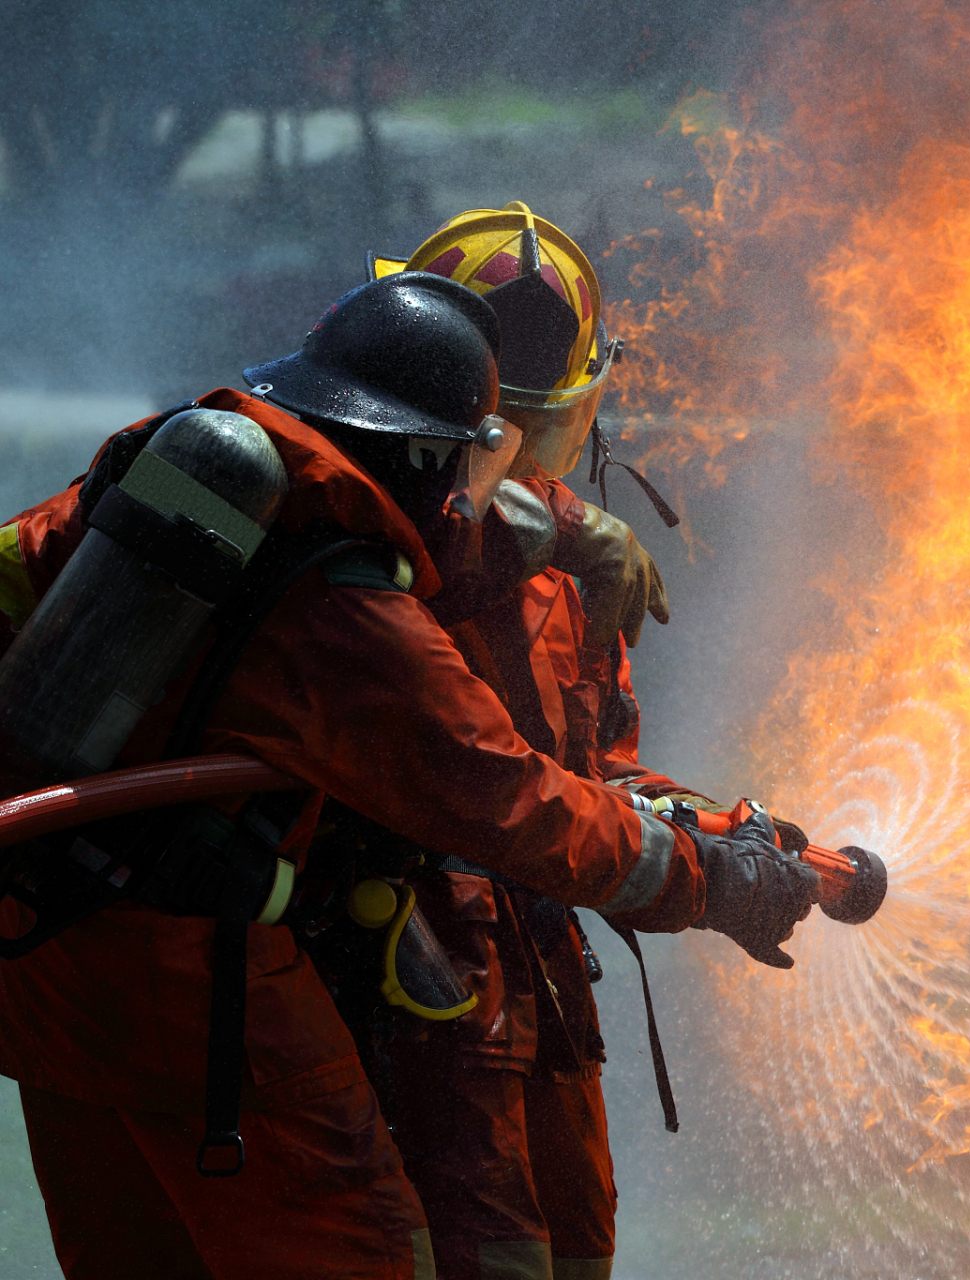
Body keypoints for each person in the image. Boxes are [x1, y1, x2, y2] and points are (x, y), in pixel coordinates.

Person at [0, 271, 817, 1279]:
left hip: (45, 962)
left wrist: (557, 530)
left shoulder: (165, 482)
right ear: (430, 455)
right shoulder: (345, 612)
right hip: (200, 1006)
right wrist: (712, 877)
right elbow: (517, 800)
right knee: (371, 1250)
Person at [355, 203, 732, 1280]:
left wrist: (724, 833)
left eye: (538, 427)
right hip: (409, 995)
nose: (521, 458)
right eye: (499, 425)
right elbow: (497, 790)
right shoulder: (368, 548)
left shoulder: (573, 567)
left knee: (569, 1252)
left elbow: (593, 770)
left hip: (539, 998)